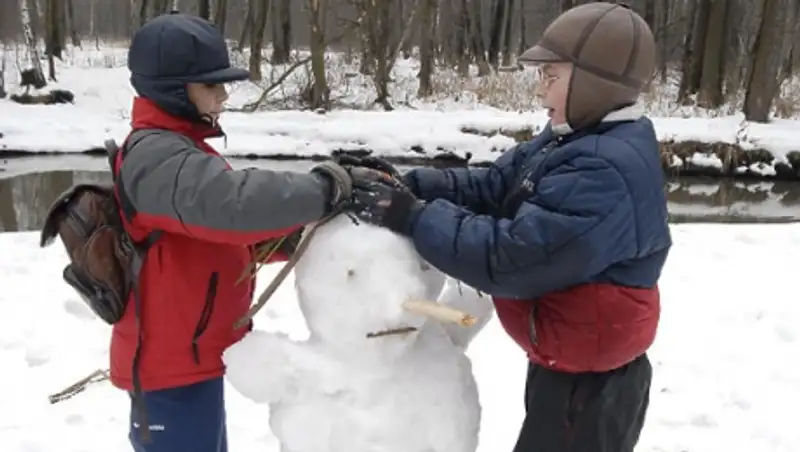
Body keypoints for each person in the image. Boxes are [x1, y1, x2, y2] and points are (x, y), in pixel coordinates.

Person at [343, 3, 671, 451]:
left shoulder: (602, 170)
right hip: (570, 361)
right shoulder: (577, 138)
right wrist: (407, 184)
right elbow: (498, 185)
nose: (539, 90)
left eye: (551, 76)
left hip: (592, 383)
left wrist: (412, 215)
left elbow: (511, 259)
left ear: (595, 83)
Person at [113, 12, 353, 452]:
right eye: (211, 85)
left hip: (189, 358)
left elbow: (214, 236)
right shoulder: (156, 156)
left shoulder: (179, 149)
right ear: (172, 90)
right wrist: (327, 189)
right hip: (168, 370)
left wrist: (299, 237)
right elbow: (232, 205)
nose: (223, 95)